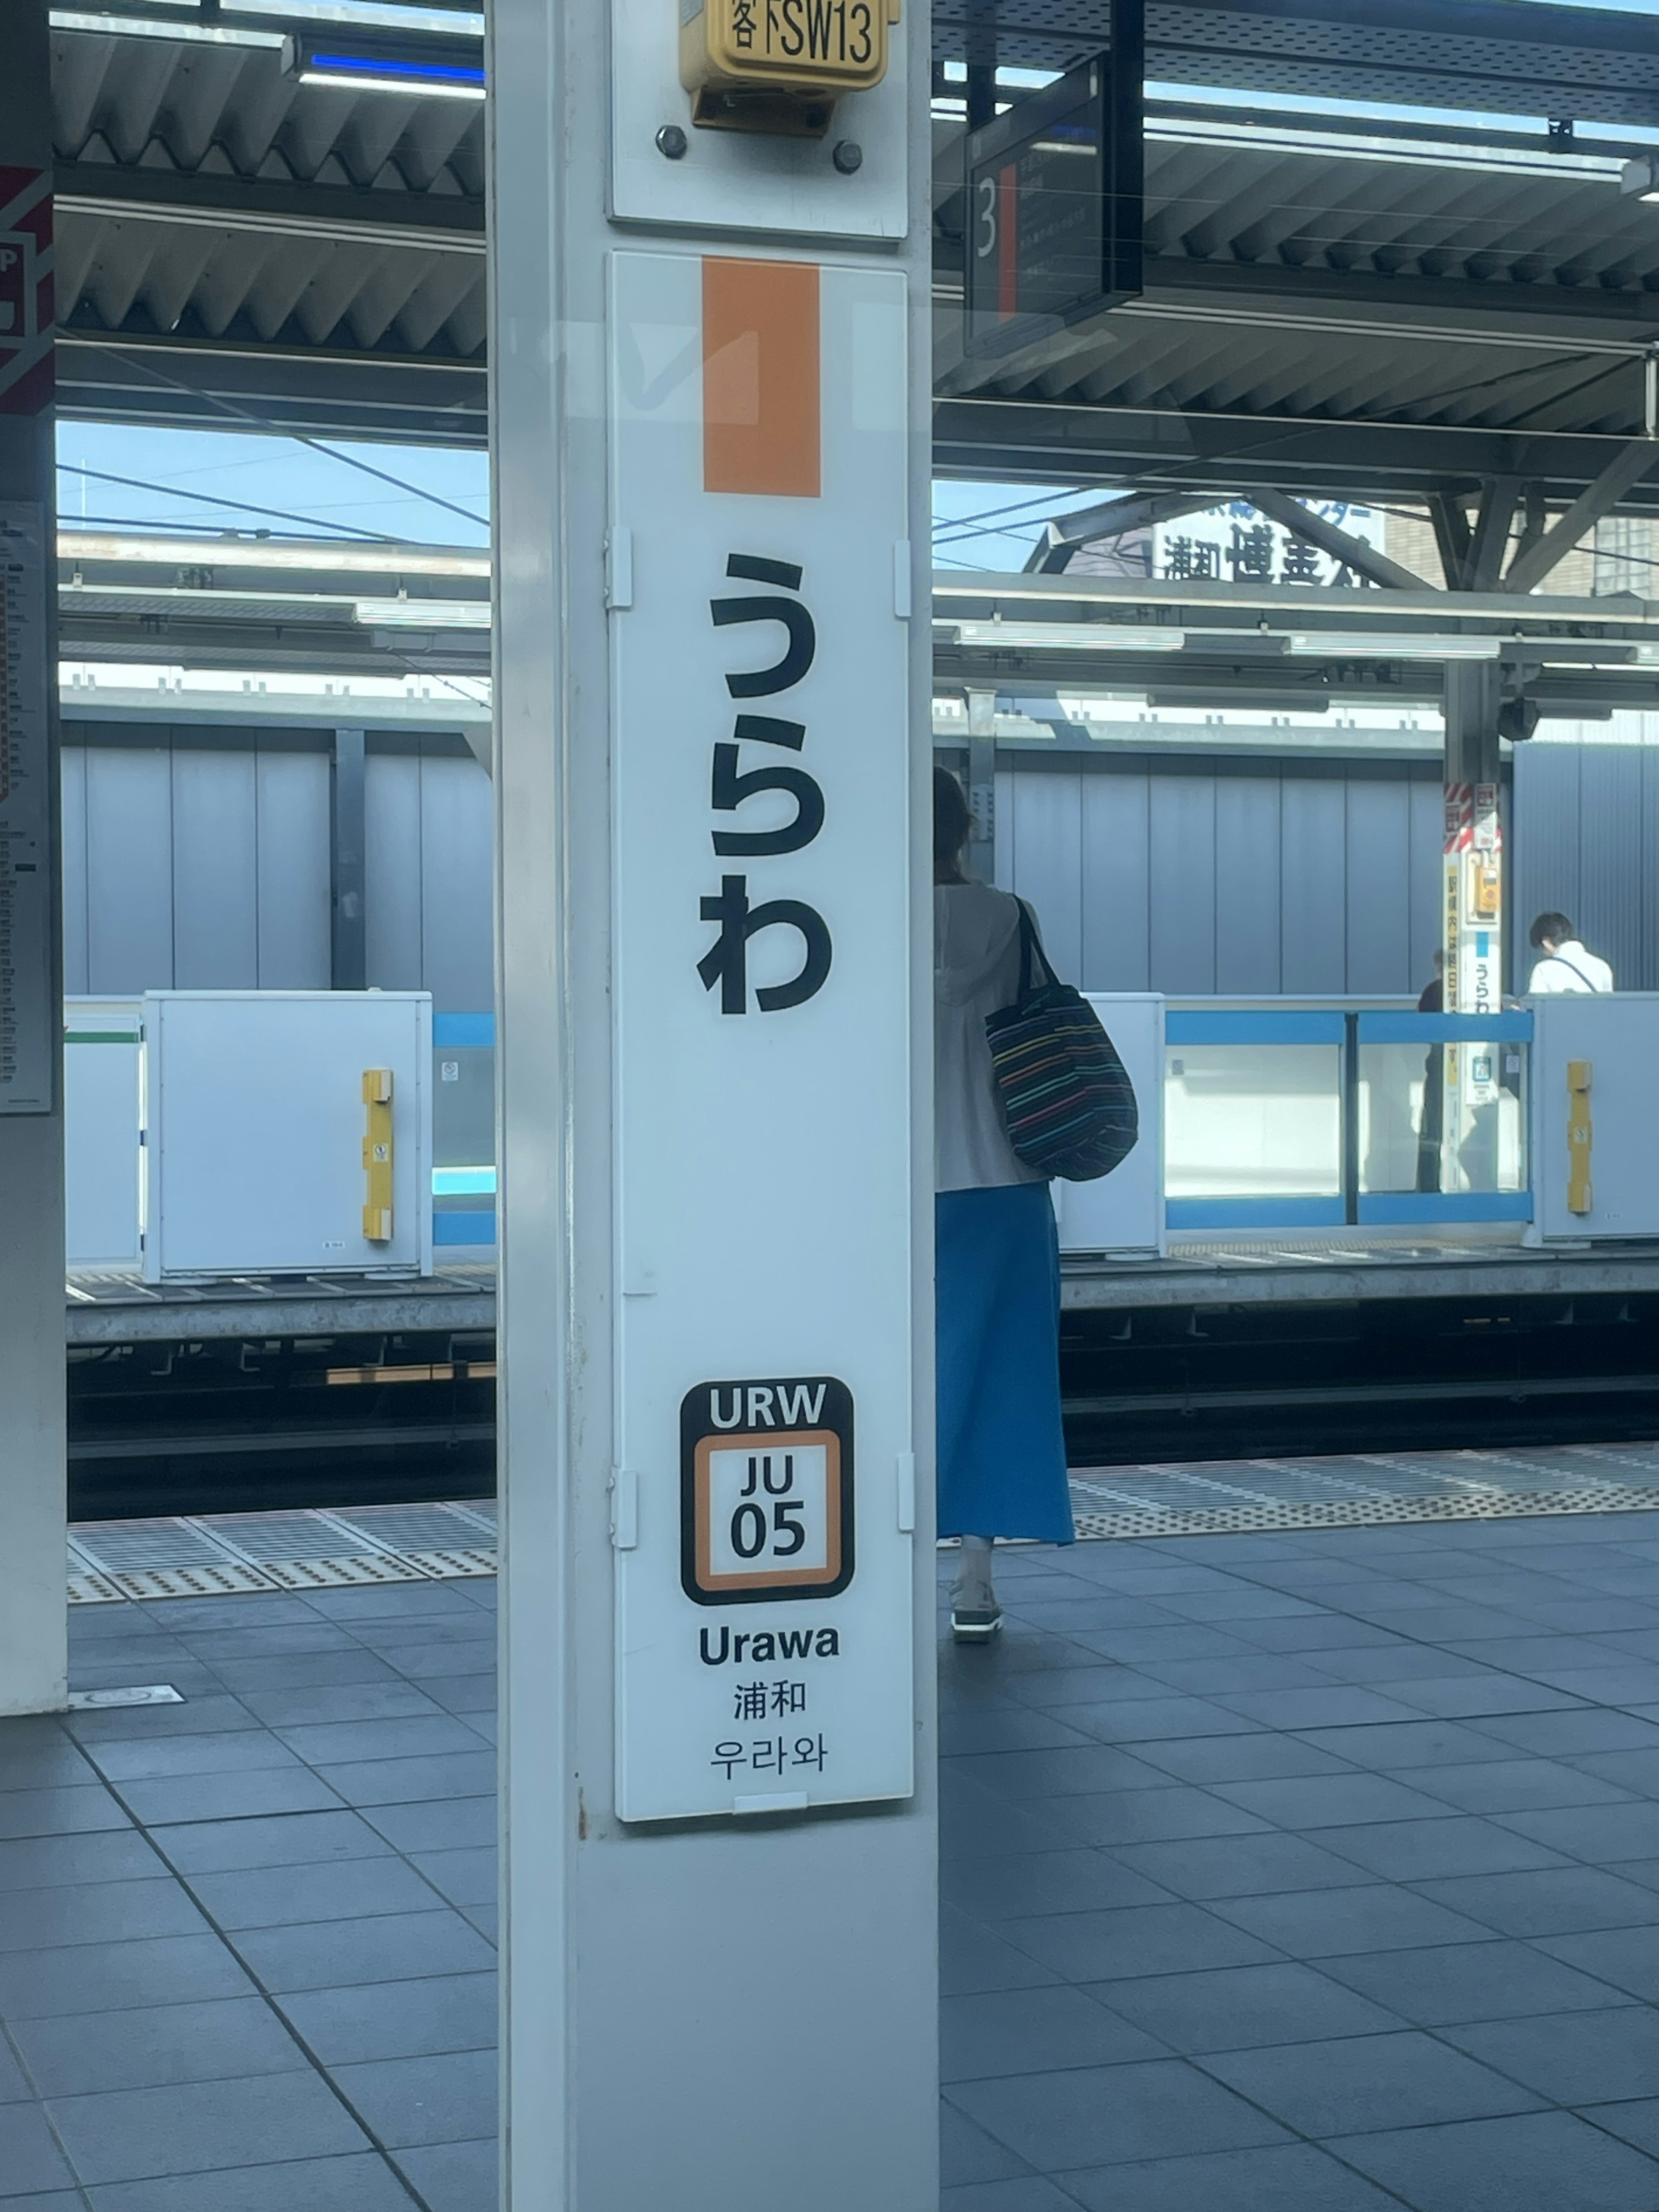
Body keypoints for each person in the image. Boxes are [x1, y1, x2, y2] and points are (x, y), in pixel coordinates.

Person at [933, 766, 1072, 1643]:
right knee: (1001, 1376)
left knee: (888, 1375)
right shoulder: (1010, 918)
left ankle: (869, 1555)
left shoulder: (853, 919)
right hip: (1008, 1183)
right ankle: (975, 1581)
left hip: (890, 1188)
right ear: (965, 829)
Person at [1414, 950, 1444, 1193]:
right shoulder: (1483, 991)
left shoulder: (1434, 991)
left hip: (1438, 1066)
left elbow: (1421, 1025)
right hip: (1475, 1072)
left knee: (1432, 1129)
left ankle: (1429, 1186)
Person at [1526, 913, 1613, 995]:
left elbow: (1537, 1007)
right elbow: (1608, 1007)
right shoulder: (1602, 966)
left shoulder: (1543, 969)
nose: (1544, 953)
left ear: (1546, 943)